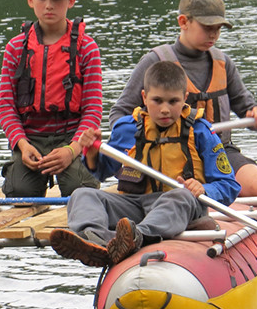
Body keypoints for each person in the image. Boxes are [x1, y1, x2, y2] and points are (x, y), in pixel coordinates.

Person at [49, 61, 240, 267]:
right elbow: (101, 172)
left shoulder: (201, 131)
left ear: (185, 99)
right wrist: (92, 154)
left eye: (173, 101)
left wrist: (204, 188)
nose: (165, 110)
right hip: (135, 204)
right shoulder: (127, 128)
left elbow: (229, 185)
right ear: (144, 98)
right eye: (157, 101)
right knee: (82, 194)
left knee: (180, 195)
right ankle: (96, 241)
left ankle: (136, 238)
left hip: (179, 205)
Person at [109, 0, 257, 198]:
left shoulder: (223, 63)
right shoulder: (155, 62)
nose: (213, 34)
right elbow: (118, 116)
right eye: (207, 27)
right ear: (183, 22)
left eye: (218, 28)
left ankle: (254, 180)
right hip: (168, 155)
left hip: (218, 154)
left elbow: (247, 110)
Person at [0, 0, 103, 198]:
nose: (48, 5)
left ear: (71, 1)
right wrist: (22, 145)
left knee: (80, 188)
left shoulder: (88, 48)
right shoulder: (15, 48)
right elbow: (6, 107)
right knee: (19, 189)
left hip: (71, 135)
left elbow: (93, 110)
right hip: (31, 137)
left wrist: (72, 149)